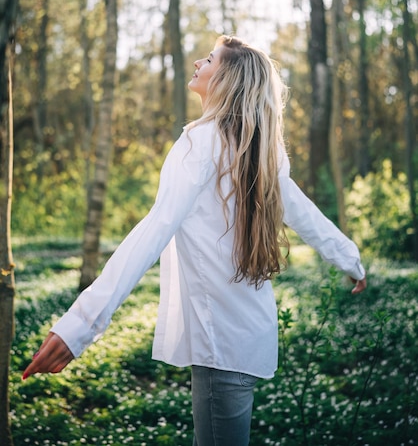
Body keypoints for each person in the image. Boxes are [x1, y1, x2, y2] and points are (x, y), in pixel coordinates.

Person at [23, 35, 367, 446]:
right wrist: (351, 259)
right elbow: (305, 214)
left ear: (226, 79)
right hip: (247, 334)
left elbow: (154, 230)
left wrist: (79, 326)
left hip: (220, 341)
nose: (197, 64)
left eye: (208, 59)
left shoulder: (201, 142)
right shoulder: (258, 149)